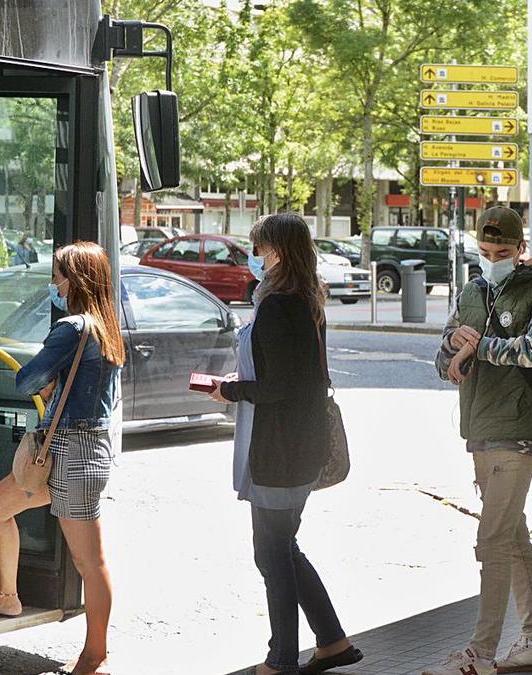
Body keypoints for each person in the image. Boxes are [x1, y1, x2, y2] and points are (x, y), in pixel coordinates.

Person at [0, 241, 123, 675]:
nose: (52, 284)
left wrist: (45, 385)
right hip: (73, 449)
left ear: (75, 280)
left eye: (56, 275)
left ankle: (95, 656)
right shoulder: (106, 326)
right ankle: (6, 596)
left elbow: (26, 378)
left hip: (71, 449)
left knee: (91, 561)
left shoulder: (72, 328)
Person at [207, 213, 362, 675]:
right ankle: (332, 641)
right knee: (283, 547)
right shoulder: (306, 299)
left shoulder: (278, 305)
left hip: (280, 450)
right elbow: (293, 376)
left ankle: (281, 660)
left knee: (272, 554)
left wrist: (230, 389)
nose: (255, 258)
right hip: (301, 446)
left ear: (277, 251)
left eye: (259, 249)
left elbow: (278, 386)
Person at [427, 206, 532, 675]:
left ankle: (481, 653)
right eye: (485, 251)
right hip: (480, 431)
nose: (493, 259)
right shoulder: (472, 290)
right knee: (511, 536)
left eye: (503, 252)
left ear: (521, 249)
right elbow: (440, 357)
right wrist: (454, 348)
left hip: (517, 433)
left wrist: (477, 347)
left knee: (491, 540)